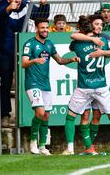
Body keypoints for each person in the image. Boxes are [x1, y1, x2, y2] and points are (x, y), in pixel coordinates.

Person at [63, 16, 110, 155]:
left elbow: (72, 38)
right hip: (100, 86)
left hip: (84, 87)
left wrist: (91, 41)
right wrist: (99, 47)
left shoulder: (77, 44)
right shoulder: (104, 42)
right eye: (97, 24)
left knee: (70, 116)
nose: (99, 27)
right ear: (93, 28)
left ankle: (70, 149)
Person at [22, 18, 79, 155]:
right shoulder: (30, 44)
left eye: (47, 28)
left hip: (45, 84)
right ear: (36, 28)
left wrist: (71, 59)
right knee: (40, 113)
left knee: (46, 116)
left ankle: (42, 146)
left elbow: (59, 60)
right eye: (42, 28)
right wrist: (35, 60)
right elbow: (23, 63)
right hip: (33, 83)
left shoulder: (49, 44)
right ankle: (33, 142)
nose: (45, 30)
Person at [0, 0, 49, 127]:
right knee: (5, 84)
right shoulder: (3, 7)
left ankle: (24, 115)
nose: (17, 0)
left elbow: (42, 16)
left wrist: (44, 4)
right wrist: (8, 9)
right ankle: (5, 115)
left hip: (23, 53)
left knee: (27, 84)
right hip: (6, 53)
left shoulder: (26, 5)